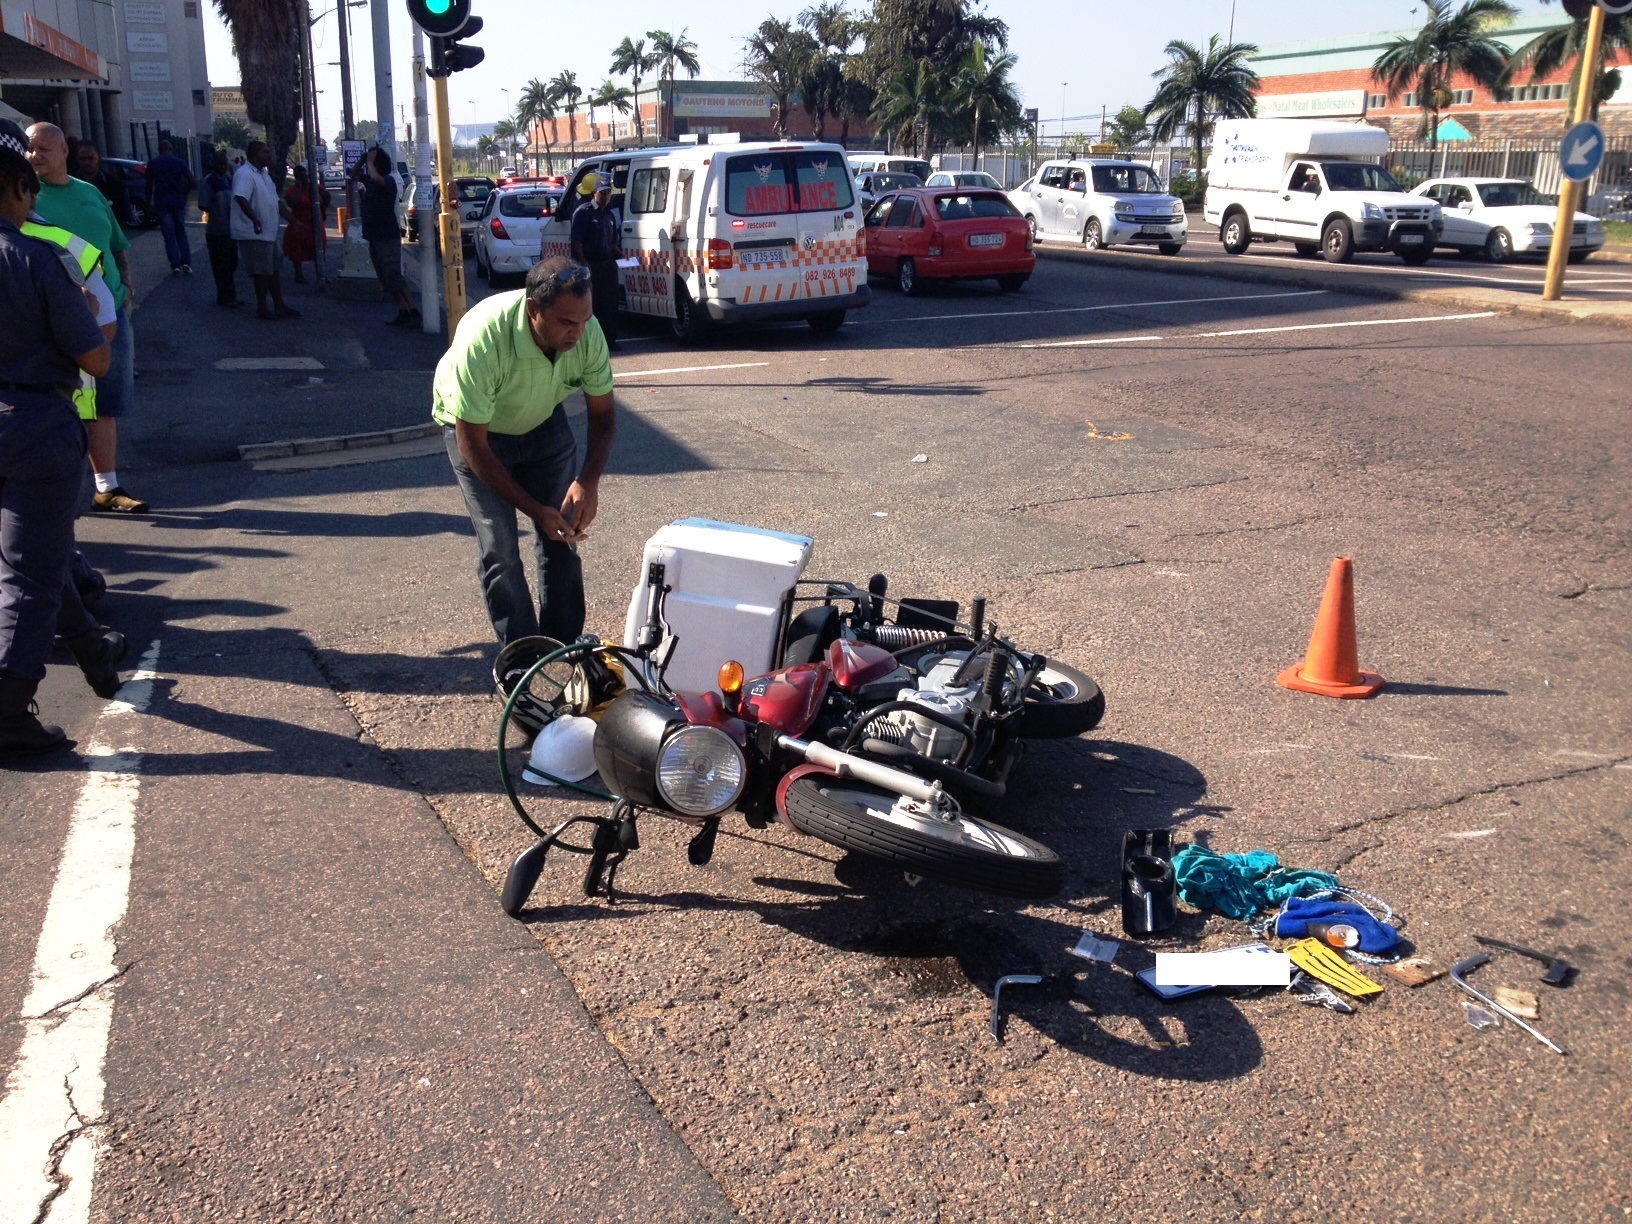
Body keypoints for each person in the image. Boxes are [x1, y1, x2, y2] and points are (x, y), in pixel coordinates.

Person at [0, 120, 126, 757]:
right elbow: (95, 358)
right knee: (29, 572)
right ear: (20, 189)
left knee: (33, 553)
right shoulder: (36, 257)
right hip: (33, 425)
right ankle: (9, 711)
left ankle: (91, 648)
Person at [433, 256, 616, 648]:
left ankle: (562, 646)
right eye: (567, 323)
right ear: (535, 310)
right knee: (499, 546)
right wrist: (534, 509)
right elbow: (473, 444)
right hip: (477, 433)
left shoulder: (588, 332)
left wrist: (588, 481)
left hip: (542, 420)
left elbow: (603, 416)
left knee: (564, 533)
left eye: (584, 320)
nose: (578, 334)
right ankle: (522, 654)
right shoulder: (484, 336)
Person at [26, 122, 148, 515]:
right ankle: (55, 494)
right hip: (56, 319)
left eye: (44, 149)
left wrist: (126, 286)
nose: (35, 156)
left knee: (106, 402)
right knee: (61, 404)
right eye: (30, 150)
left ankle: (106, 488)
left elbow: (115, 244)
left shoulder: (89, 192)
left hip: (110, 313)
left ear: (65, 151)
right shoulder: (23, 198)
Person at [231, 139, 298, 320]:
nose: (269, 155)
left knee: (273, 269)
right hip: (254, 233)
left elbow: (276, 202)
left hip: (268, 233)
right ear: (254, 154)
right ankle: (262, 308)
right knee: (261, 272)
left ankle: (279, 306)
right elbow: (241, 197)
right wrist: (254, 219)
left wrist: (293, 221)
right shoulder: (245, 174)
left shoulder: (264, 175)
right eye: (265, 152)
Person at [352, 146, 417, 325]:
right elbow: (353, 175)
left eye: (372, 163)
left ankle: (413, 309)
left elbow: (375, 177)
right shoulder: (370, 181)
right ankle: (402, 309)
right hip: (374, 235)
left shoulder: (387, 181)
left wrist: (371, 162)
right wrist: (363, 159)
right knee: (385, 277)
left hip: (387, 235)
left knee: (393, 274)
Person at [569, 173, 623, 351]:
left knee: (610, 304)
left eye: (608, 192)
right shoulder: (584, 212)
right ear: (594, 193)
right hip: (591, 264)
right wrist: (584, 263)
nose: (606, 196)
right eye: (602, 192)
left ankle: (610, 340)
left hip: (607, 265)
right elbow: (576, 241)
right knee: (592, 304)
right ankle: (590, 344)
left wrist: (623, 257)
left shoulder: (610, 216)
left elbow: (612, 242)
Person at [145, 138, 196, 275]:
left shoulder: (153, 163)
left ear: (159, 150)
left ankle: (175, 265)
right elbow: (192, 180)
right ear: (171, 149)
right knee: (181, 232)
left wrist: (149, 204)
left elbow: (149, 185)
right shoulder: (179, 162)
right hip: (178, 200)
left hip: (162, 202)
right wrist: (184, 193)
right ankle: (186, 263)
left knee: (169, 235)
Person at [200, 149, 241, 307]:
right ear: (213, 164)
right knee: (221, 265)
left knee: (232, 262)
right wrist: (216, 210)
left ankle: (230, 295)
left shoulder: (228, 179)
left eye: (225, 163)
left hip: (230, 230)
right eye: (220, 163)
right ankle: (225, 297)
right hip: (217, 231)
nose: (223, 166)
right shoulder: (209, 181)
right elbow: (203, 203)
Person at [282, 163, 326, 284]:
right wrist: (300, 188)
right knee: (297, 248)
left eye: (305, 176)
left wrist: (323, 210)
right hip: (299, 221)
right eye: (301, 177)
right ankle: (299, 274)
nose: (305, 179)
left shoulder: (315, 187)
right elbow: (292, 203)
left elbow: (326, 196)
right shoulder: (293, 190)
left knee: (319, 246)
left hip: (315, 221)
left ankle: (321, 274)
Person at [72, 141, 130, 225]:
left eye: (91, 158)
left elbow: (124, 218)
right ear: (77, 159)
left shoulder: (116, 186)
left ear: (98, 158)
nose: (86, 162)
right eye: (82, 158)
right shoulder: (68, 184)